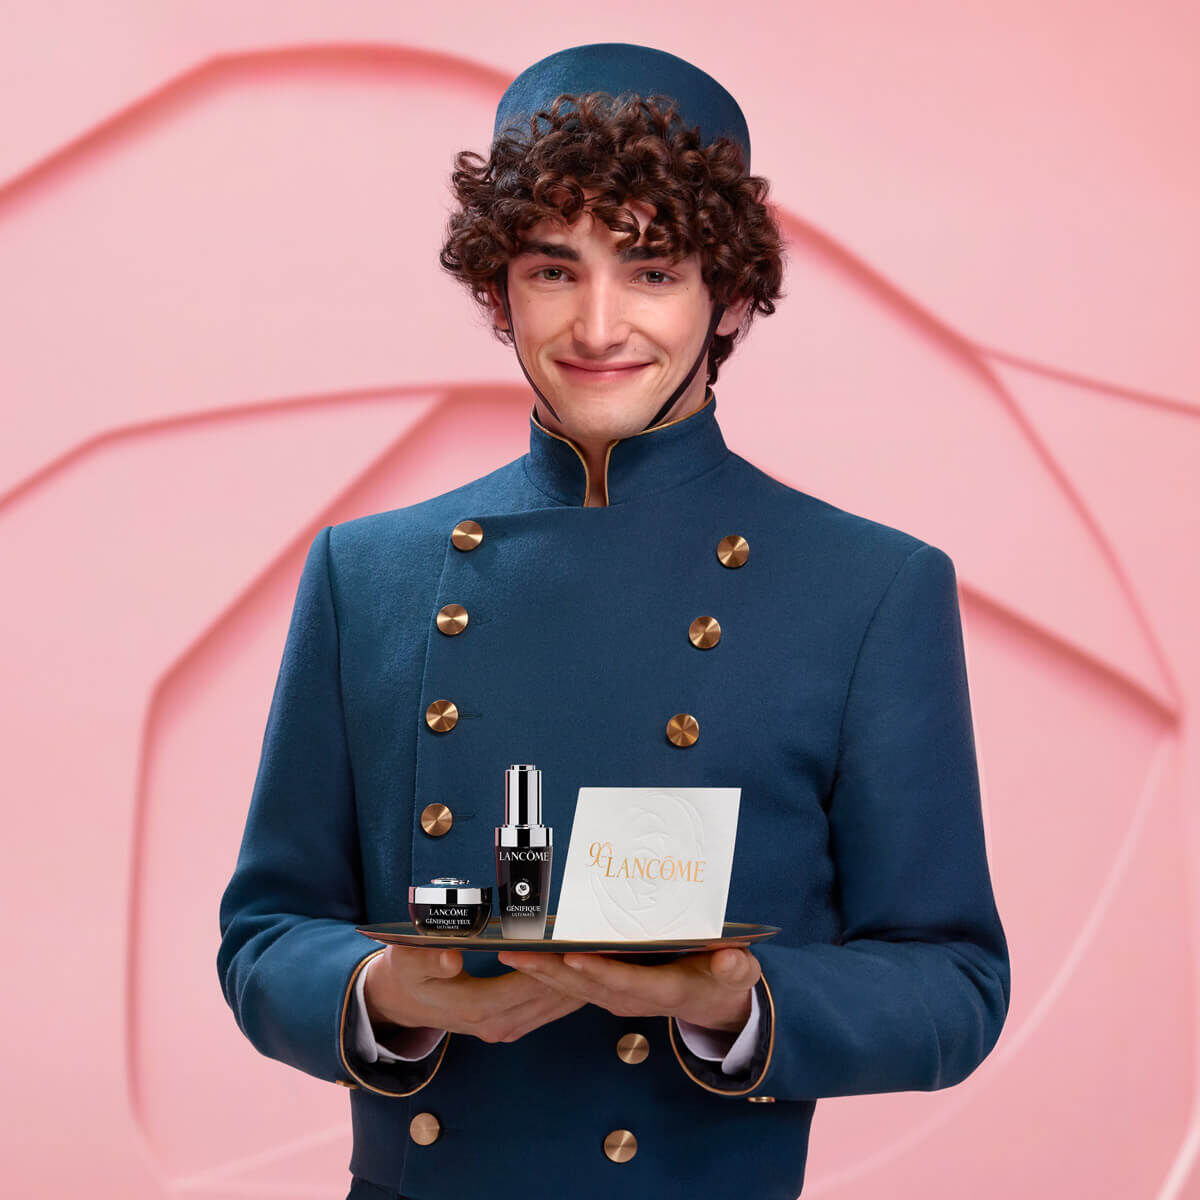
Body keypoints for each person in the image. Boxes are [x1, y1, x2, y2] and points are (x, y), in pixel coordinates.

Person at [217, 42, 1010, 1200]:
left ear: (729, 293)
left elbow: (954, 983)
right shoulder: (368, 571)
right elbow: (266, 935)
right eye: (552, 270)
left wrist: (733, 1007)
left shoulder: (870, 587)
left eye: (650, 271)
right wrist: (382, 997)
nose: (596, 325)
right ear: (497, 288)